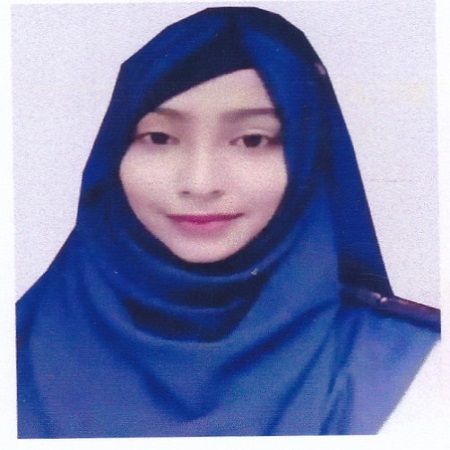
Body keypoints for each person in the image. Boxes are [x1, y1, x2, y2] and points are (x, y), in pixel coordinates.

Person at [16, 7, 440, 438]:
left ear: (308, 156)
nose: (200, 183)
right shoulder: (19, 346)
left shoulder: (420, 374)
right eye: (159, 138)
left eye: (252, 140)